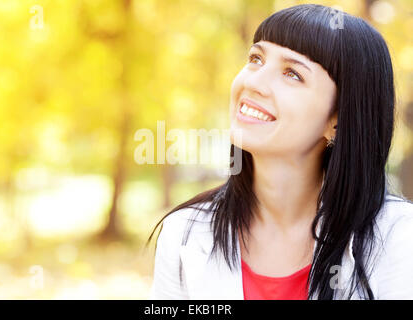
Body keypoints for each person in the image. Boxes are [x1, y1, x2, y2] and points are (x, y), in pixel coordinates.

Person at [146, 4, 413, 300]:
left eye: (292, 74)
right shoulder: (184, 232)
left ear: (337, 121)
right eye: (256, 59)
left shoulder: (398, 240)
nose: (253, 82)